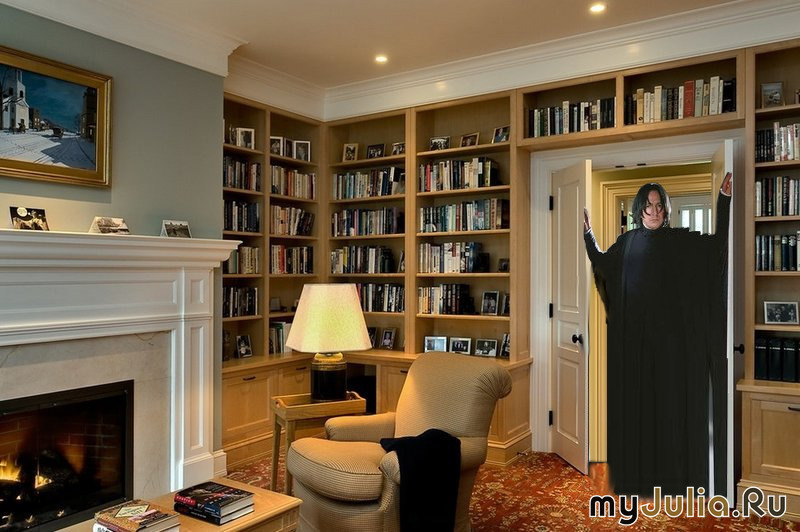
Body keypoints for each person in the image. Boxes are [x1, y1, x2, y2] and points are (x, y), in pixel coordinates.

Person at [583, 172, 732, 496]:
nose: (654, 211)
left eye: (659, 205)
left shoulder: (680, 241)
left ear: (666, 209)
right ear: (639, 210)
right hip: (636, 344)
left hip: (673, 346)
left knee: (671, 409)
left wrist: (724, 200)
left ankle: (676, 477)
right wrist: (588, 236)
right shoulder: (626, 243)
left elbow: (717, 246)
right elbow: (602, 264)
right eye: (648, 205)